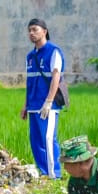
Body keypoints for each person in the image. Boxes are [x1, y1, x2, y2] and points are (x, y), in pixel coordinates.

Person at [23, 18, 65, 177]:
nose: (31, 33)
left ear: (44, 31)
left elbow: (56, 78)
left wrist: (48, 102)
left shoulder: (54, 51)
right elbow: (29, 82)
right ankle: (43, 172)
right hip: (33, 104)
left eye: (35, 29)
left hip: (48, 105)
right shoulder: (30, 56)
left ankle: (54, 175)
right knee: (36, 141)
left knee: (48, 139)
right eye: (29, 30)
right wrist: (25, 106)